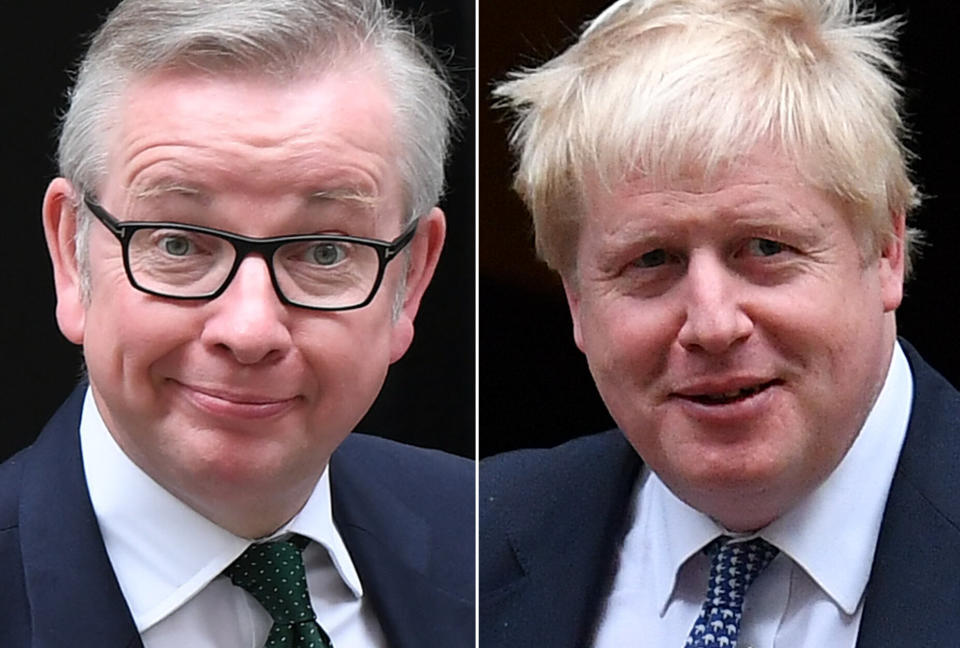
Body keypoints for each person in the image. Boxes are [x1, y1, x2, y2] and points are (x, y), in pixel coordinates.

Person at [481, 0, 960, 646]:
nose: (712, 324)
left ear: (885, 251)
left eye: (765, 248)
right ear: (575, 301)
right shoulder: (466, 549)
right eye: (651, 260)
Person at [0, 0, 473, 646]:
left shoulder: (496, 537)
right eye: (178, 243)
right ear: (71, 255)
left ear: (410, 278)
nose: (250, 331)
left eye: (325, 251)